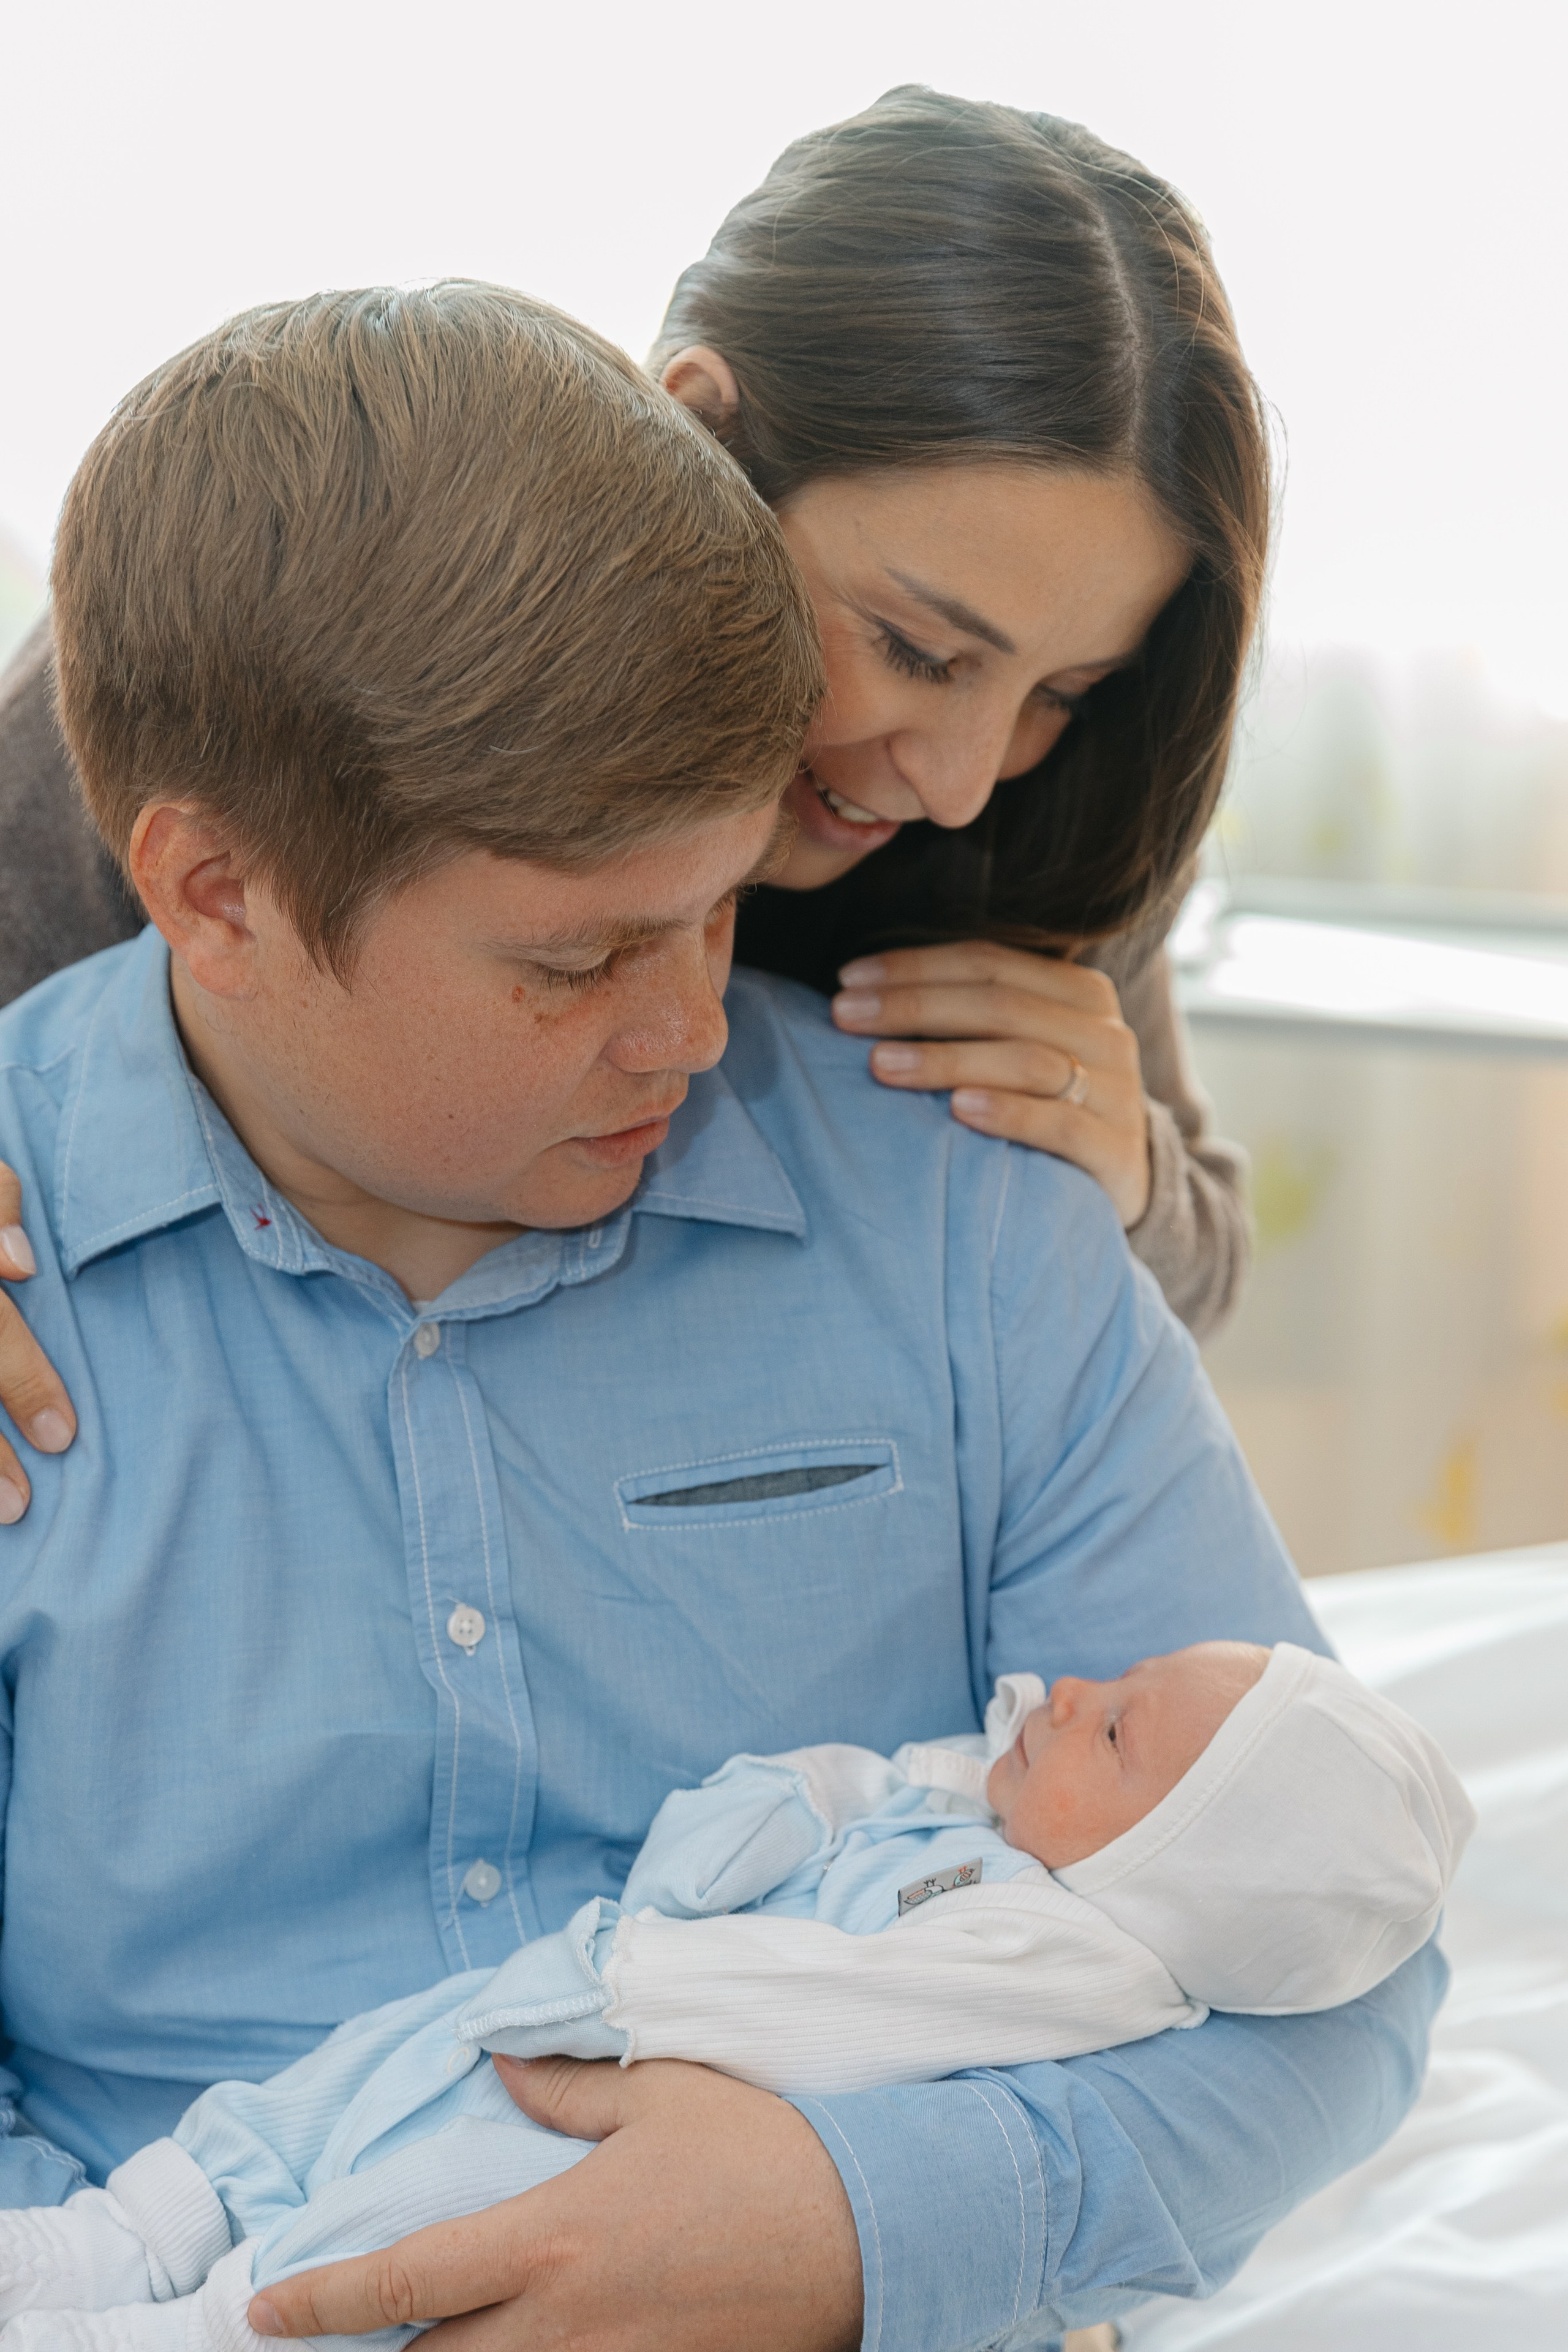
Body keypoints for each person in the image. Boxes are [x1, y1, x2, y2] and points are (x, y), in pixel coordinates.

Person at [0, 279, 1442, 2352]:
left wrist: (868, 2227)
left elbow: (1348, 1957)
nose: (690, 1031)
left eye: (726, 905)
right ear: (215, 898)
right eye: (579, 962)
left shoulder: (968, 1215)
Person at [0, 86, 1264, 1519]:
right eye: (916, 647)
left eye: (1063, 691)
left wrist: (1127, 1184)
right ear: (699, 438)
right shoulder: (296, 658)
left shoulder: (1050, 825)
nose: (963, 782)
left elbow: (1190, 1265)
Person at [0, 1646, 1472, 2350]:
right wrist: (821, 1795)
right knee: (338, 2081)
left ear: (1165, 1862)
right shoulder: (980, 1822)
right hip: (566, 2003)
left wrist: (648, 1993)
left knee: (421, 2218)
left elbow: (849, 2015)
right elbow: (798, 1822)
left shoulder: (1065, 1958)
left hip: (640, 2100)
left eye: (1110, 1727)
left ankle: (185, 2330)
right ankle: (121, 2236)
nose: (1066, 1689)